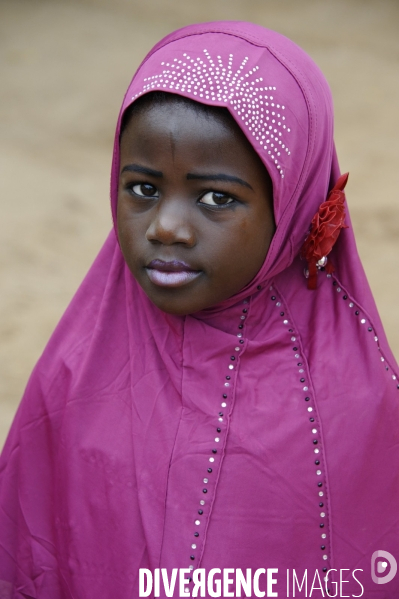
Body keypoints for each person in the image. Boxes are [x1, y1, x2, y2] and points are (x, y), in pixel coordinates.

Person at [0, 21, 398, 599]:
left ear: (292, 206)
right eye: (142, 188)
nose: (165, 226)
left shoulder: (353, 405)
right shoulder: (72, 374)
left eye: (217, 198)